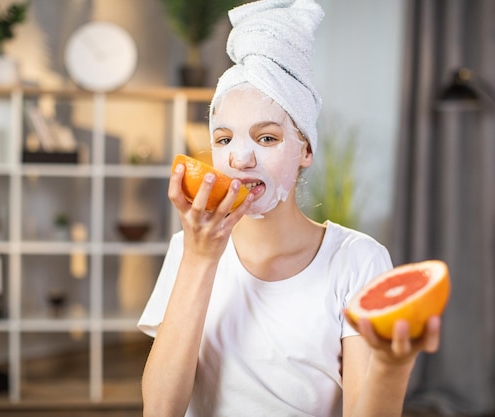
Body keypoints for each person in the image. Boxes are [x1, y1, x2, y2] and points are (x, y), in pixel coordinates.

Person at [137, 0, 442, 416]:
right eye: (224, 139)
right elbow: (159, 410)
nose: (240, 159)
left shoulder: (356, 260)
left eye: (266, 138)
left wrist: (390, 368)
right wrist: (199, 258)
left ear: (306, 149)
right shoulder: (186, 249)